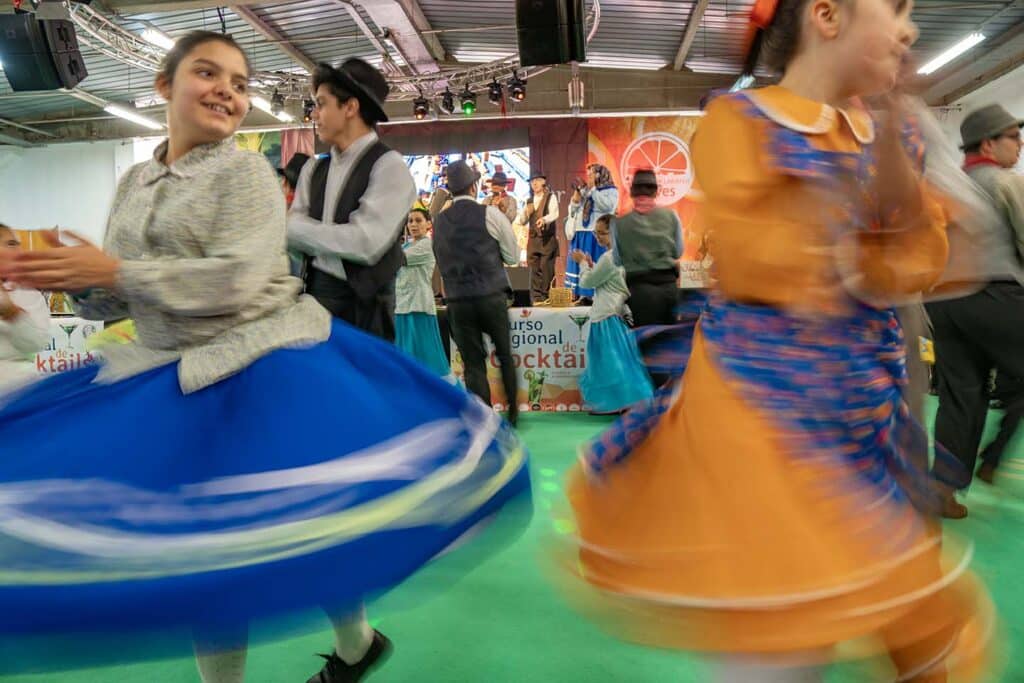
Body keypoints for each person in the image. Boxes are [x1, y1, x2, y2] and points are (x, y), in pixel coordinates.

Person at [0, 32, 530, 683]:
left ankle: (356, 642)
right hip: (172, 375)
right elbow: (121, 298)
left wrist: (114, 270)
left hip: (261, 367)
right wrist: (76, 279)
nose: (227, 90)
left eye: (239, 82)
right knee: (234, 541)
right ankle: (358, 644)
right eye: (207, 73)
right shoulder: (135, 182)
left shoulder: (248, 172)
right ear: (164, 85)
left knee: (291, 520)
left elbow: (240, 280)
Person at [556, 1, 993, 681]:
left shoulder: (891, 135)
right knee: (778, 624)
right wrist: (856, 234)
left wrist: (892, 171)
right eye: (896, 7)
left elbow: (921, 263)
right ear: (827, 15)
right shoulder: (741, 122)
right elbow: (766, 263)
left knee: (891, 603)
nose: (909, 29)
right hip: (762, 410)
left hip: (865, 409)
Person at [925, 103, 1024, 503]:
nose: (1019, 145)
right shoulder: (1006, 181)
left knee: (961, 396)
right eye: (1013, 138)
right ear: (988, 144)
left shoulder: (945, 186)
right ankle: (992, 456)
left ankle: (943, 489)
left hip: (943, 302)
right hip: (994, 294)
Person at [288, 58, 415, 342]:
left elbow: (365, 243)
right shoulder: (313, 169)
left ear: (350, 107)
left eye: (321, 104)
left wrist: (292, 228)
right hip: (314, 299)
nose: (314, 114)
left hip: (367, 309)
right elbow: (294, 240)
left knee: (365, 372)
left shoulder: (389, 166)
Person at [433, 160, 520, 426]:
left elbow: (440, 259)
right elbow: (513, 256)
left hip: (457, 299)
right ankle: (513, 414)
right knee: (504, 354)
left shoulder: (440, 222)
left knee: (472, 364)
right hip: (491, 294)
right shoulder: (490, 214)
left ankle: (483, 419)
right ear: (474, 187)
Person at [572, 214, 653, 414]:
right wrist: (592, 268)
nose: (598, 237)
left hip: (606, 315)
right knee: (614, 362)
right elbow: (605, 280)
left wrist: (582, 264)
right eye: (596, 233)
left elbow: (587, 282)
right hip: (612, 313)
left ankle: (615, 403)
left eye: (602, 233)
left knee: (608, 364)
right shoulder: (620, 255)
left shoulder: (609, 258)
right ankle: (618, 403)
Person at [611, 169, 684, 327]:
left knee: (644, 338)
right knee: (667, 338)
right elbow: (678, 252)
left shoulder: (619, 223)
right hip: (668, 289)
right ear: (656, 191)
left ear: (632, 192)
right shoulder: (671, 216)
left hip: (638, 292)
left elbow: (617, 260)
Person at [395, 208, 451, 379]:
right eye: (410, 221)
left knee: (428, 359)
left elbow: (396, 259)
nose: (413, 224)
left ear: (428, 224)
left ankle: (439, 390)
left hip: (418, 307)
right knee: (404, 358)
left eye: (418, 220)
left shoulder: (427, 245)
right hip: (402, 307)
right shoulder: (406, 245)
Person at [0, 224, 49, 397]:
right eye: (11, 244)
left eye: (17, 244)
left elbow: (37, 343)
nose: (19, 251)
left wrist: (12, 313)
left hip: (17, 385)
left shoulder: (27, 292)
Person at [565, 164, 619, 301]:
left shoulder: (611, 191)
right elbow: (574, 208)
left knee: (594, 261)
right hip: (580, 231)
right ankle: (582, 295)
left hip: (595, 234)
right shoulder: (586, 190)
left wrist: (594, 189)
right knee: (580, 261)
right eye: (587, 174)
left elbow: (608, 207)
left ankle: (595, 296)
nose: (588, 177)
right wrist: (576, 197)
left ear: (600, 175)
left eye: (591, 174)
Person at [515, 173, 560, 304]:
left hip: (547, 240)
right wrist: (524, 215)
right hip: (533, 240)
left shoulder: (550, 197)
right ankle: (536, 297)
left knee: (546, 269)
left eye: (537, 181)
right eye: (532, 181)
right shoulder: (529, 201)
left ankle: (547, 297)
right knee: (533, 268)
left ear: (543, 182)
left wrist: (544, 219)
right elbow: (522, 220)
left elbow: (554, 214)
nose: (534, 184)